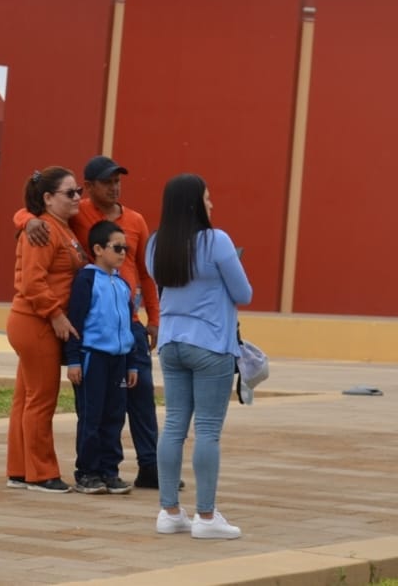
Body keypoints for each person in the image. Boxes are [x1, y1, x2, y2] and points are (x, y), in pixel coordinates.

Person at [21, 156, 161, 486]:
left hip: (130, 323)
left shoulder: (136, 220)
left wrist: (154, 317)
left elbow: (145, 272)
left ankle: (149, 466)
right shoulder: (76, 210)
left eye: (118, 181)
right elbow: (36, 208)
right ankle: (90, 470)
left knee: (138, 396)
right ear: (90, 187)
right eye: (107, 182)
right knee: (93, 409)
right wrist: (26, 221)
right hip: (93, 334)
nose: (114, 187)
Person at [148, 174, 251, 540]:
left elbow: (158, 280)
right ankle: (206, 517)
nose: (212, 205)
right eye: (207, 198)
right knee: (207, 429)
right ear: (194, 203)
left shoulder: (156, 244)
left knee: (174, 424)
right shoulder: (217, 240)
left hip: (171, 342)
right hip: (209, 342)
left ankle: (169, 511)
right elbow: (244, 291)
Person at [5, 167, 84, 494]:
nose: (78, 197)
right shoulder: (44, 232)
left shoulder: (57, 226)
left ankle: (20, 471)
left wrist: (24, 217)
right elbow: (31, 282)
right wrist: (55, 315)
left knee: (26, 398)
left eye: (79, 190)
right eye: (70, 192)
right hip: (36, 322)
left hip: (34, 321)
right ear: (49, 199)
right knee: (41, 399)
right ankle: (41, 473)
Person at [64, 221, 144, 496]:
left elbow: (129, 325)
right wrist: (73, 359)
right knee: (91, 416)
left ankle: (110, 471)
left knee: (114, 416)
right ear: (98, 249)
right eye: (117, 247)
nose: (123, 253)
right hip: (93, 358)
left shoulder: (122, 284)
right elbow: (75, 322)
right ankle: (87, 472)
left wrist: (131, 361)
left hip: (119, 360)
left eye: (126, 248)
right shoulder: (86, 280)